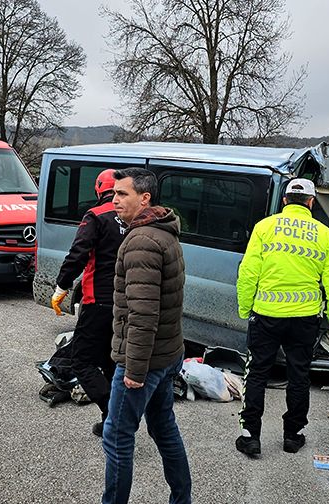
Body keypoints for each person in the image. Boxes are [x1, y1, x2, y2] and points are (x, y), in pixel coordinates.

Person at [235, 178, 329, 458]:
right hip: (305, 319)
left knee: (257, 374)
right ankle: (293, 436)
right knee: (299, 376)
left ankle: (251, 437)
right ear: (311, 202)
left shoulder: (265, 228)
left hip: (266, 316)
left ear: (284, 200)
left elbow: (248, 272)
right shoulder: (325, 235)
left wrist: (245, 307)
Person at [102, 167, 191, 504]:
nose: (114, 200)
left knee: (116, 436)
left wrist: (135, 370)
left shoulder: (141, 240)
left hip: (144, 360)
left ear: (145, 198)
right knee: (163, 427)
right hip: (167, 354)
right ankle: (182, 500)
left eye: (122, 194)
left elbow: (143, 313)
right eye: (113, 194)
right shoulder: (163, 232)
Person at [51, 169, 127, 437]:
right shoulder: (134, 217)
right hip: (126, 302)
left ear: (98, 189)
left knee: (81, 359)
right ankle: (111, 422)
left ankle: (115, 413)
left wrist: (62, 286)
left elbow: (78, 253)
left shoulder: (96, 215)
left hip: (98, 300)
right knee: (111, 360)